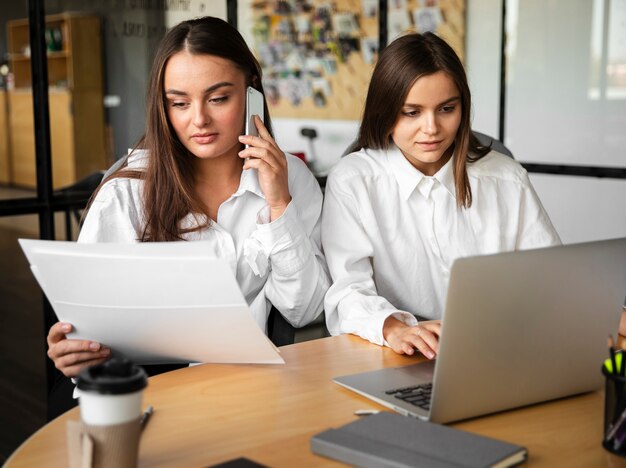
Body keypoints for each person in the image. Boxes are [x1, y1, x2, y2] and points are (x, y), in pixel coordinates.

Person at [47, 16, 330, 379]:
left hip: (252, 390)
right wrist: (74, 348)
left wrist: (278, 206)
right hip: (146, 391)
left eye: (218, 99)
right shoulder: (126, 192)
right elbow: (87, 323)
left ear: (252, 92)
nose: (199, 120)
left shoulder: (291, 180)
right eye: (179, 103)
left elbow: (303, 311)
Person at [322, 32, 561, 359]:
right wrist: (395, 328)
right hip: (399, 355)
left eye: (446, 108)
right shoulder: (353, 180)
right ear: (385, 111)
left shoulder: (505, 178)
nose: (431, 128)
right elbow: (348, 291)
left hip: (499, 348)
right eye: (411, 112)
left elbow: (552, 280)